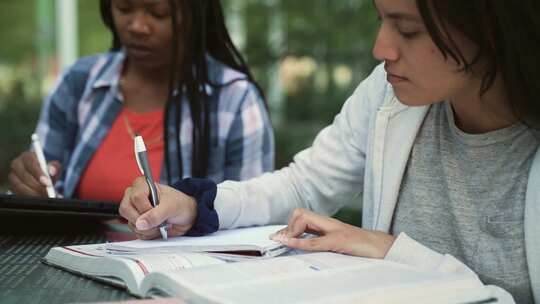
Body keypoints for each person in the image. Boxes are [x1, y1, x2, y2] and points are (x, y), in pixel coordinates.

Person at [118, 0, 539, 302]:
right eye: (382, 20)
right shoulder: (388, 93)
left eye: (407, 29)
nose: (382, 48)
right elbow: (304, 185)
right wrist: (197, 204)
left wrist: (390, 250)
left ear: (492, 27)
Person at [8, 0, 274, 202]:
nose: (137, 26)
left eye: (158, 12)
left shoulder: (235, 100)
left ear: (195, 14)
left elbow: (249, 215)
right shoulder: (79, 83)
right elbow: (47, 188)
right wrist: (32, 186)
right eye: (124, 8)